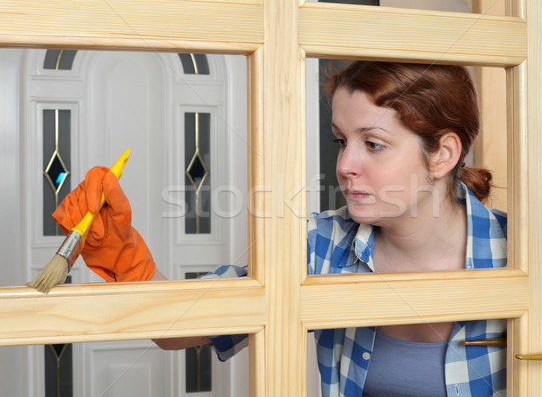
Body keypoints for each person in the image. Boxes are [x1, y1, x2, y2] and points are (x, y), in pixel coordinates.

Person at [52, 61, 507, 397]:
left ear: (443, 154)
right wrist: (120, 248)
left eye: (373, 144)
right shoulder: (319, 245)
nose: (345, 166)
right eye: (341, 141)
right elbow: (177, 329)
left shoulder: (521, 253)